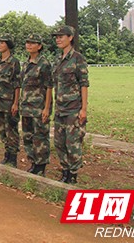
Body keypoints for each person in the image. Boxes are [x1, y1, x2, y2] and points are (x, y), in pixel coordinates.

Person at [51, 25, 89, 185]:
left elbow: (84, 84)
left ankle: (73, 175)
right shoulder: (58, 60)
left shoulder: (78, 59)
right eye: (57, 37)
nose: (58, 39)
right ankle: (65, 171)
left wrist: (84, 109)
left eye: (61, 36)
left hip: (73, 109)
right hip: (60, 108)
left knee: (72, 143)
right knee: (59, 142)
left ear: (70, 38)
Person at [18, 34, 53, 176]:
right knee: (28, 136)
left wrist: (46, 108)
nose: (29, 45)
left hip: (38, 107)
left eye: (33, 43)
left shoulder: (44, 64)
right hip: (26, 107)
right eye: (27, 42)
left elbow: (49, 87)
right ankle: (33, 162)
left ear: (39, 46)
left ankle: (41, 166)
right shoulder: (26, 63)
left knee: (40, 137)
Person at [0, 34, 21, 167]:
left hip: (9, 102)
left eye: (2, 43)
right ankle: (6, 154)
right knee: (2, 130)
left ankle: (13, 157)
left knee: (11, 130)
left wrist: (15, 103)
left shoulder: (14, 62)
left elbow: (17, 84)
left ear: (8, 45)